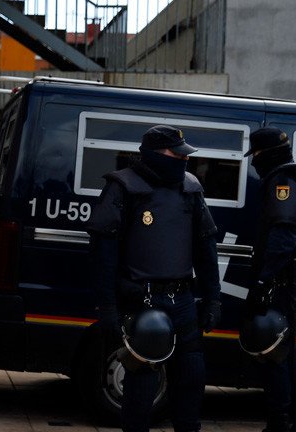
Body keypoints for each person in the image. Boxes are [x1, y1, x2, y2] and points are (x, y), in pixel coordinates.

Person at [87, 124, 222, 432]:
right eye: (175, 153)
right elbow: (102, 252)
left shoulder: (190, 187)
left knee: (191, 373)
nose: (183, 160)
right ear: (154, 154)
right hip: (142, 300)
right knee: (143, 381)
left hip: (182, 299)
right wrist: (107, 306)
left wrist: (213, 297)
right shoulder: (123, 186)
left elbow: (206, 247)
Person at [242, 127, 296, 432]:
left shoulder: (283, 180)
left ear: (264, 154)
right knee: (285, 353)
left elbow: (284, 232)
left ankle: (282, 421)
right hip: (292, 280)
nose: (254, 163)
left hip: (283, 281)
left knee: (276, 353)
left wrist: (264, 281)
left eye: (256, 156)